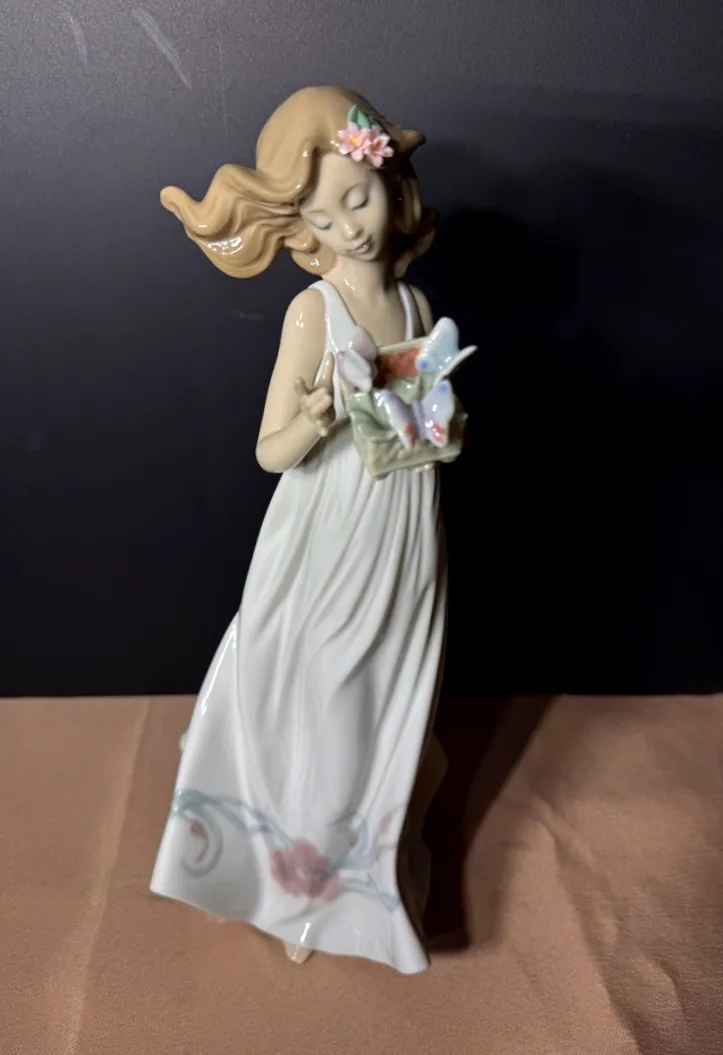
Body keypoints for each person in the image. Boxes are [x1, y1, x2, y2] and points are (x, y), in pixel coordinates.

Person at [150, 86, 446, 974]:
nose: (349, 229)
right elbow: (269, 451)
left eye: (358, 200)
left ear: (392, 186)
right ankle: (297, 885)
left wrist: (442, 424)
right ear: (302, 229)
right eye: (323, 217)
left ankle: (372, 867)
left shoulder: (417, 307)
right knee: (322, 699)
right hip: (328, 531)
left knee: (393, 695)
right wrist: (316, 417)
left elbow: (426, 430)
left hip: (405, 525)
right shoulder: (314, 312)